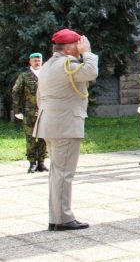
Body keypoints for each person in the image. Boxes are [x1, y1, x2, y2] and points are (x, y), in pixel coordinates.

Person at [34, 29, 98, 231]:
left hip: (51, 123)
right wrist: (88, 52)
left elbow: (39, 97)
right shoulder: (67, 64)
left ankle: (56, 218)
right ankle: (63, 219)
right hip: (65, 125)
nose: (80, 48)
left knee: (56, 173)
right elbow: (91, 72)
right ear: (69, 47)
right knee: (63, 173)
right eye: (78, 45)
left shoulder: (47, 65)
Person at [12, 52, 48, 173]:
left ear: (42, 61)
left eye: (39, 60)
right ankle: (32, 163)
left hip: (45, 111)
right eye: (35, 60)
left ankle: (41, 162)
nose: (37, 62)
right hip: (29, 112)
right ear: (30, 62)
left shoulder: (47, 74)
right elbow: (16, 92)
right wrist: (17, 110)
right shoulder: (24, 76)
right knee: (30, 138)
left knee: (44, 137)